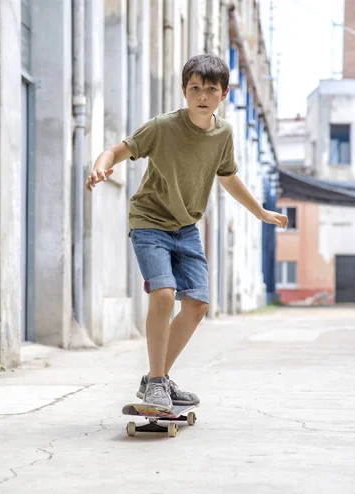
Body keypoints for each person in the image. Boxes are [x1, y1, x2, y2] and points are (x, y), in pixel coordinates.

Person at [86, 54, 288, 412]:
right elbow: (119, 149)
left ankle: (157, 380)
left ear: (224, 93)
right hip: (149, 221)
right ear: (184, 90)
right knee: (163, 293)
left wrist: (261, 212)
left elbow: (227, 177)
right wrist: (101, 167)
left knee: (197, 305)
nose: (202, 96)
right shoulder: (163, 127)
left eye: (211, 89)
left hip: (186, 227)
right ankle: (157, 383)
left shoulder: (224, 133)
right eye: (195, 88)